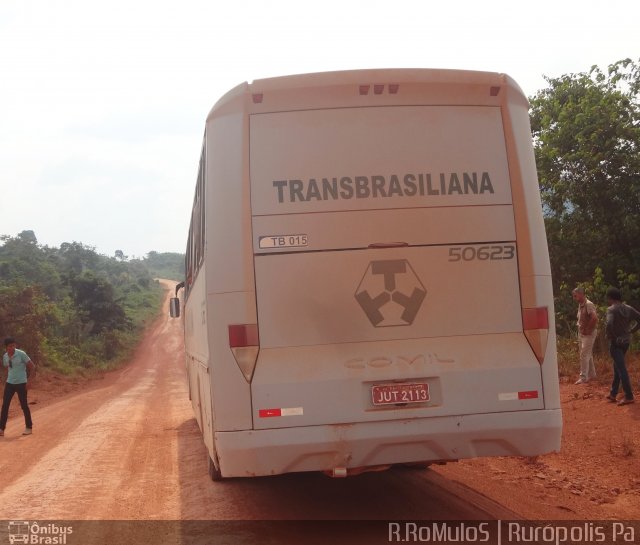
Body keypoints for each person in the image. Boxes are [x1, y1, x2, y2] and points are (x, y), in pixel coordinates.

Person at [604, 288, 640, 406]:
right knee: (617, 366)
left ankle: (629, 396)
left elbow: (609, 324)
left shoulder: (611, 309)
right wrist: (631, 331)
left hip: (616, 343)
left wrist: (613, 337)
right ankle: (613, 393)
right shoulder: (629, 308)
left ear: (610, 298)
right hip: (626, 342)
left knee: (621, 368)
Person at [0, 337, 35, 436]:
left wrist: (29, 381)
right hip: (10, 383)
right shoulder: (5, 356)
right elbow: (7, 368)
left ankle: (29, 427)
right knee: (5, 406)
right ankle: (1, 429)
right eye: (10, 346)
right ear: (6, 347)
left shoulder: (21, 354)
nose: (12, 347)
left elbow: (32, 366)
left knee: (24, 405)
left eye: (13, 345)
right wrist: (5, 381)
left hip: (21, 383)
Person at [572, 287, 598, 384]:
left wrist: (588, 329)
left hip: (588, 333)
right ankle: (592, 374)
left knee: (584, 354)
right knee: (587, 354)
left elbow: (594, 318)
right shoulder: (581, 305)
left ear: (581, 294)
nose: (574, 298)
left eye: (575, 295)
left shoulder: (588, 304)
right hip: (582, 333)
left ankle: (583, 377)